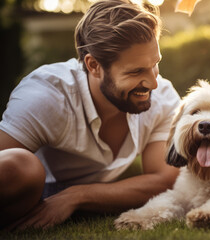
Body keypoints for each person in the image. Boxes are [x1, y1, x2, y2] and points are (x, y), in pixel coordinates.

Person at [0, 0, 181, 229]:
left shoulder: (163, 97)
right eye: (136, 71)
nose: (153, 83)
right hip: (32, 191)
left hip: (83, 192)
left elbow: (165, 179)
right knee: (22, 166)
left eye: (155, 64)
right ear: (94, 65)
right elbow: (6, 169)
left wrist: (75, 197)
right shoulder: (46, 96)